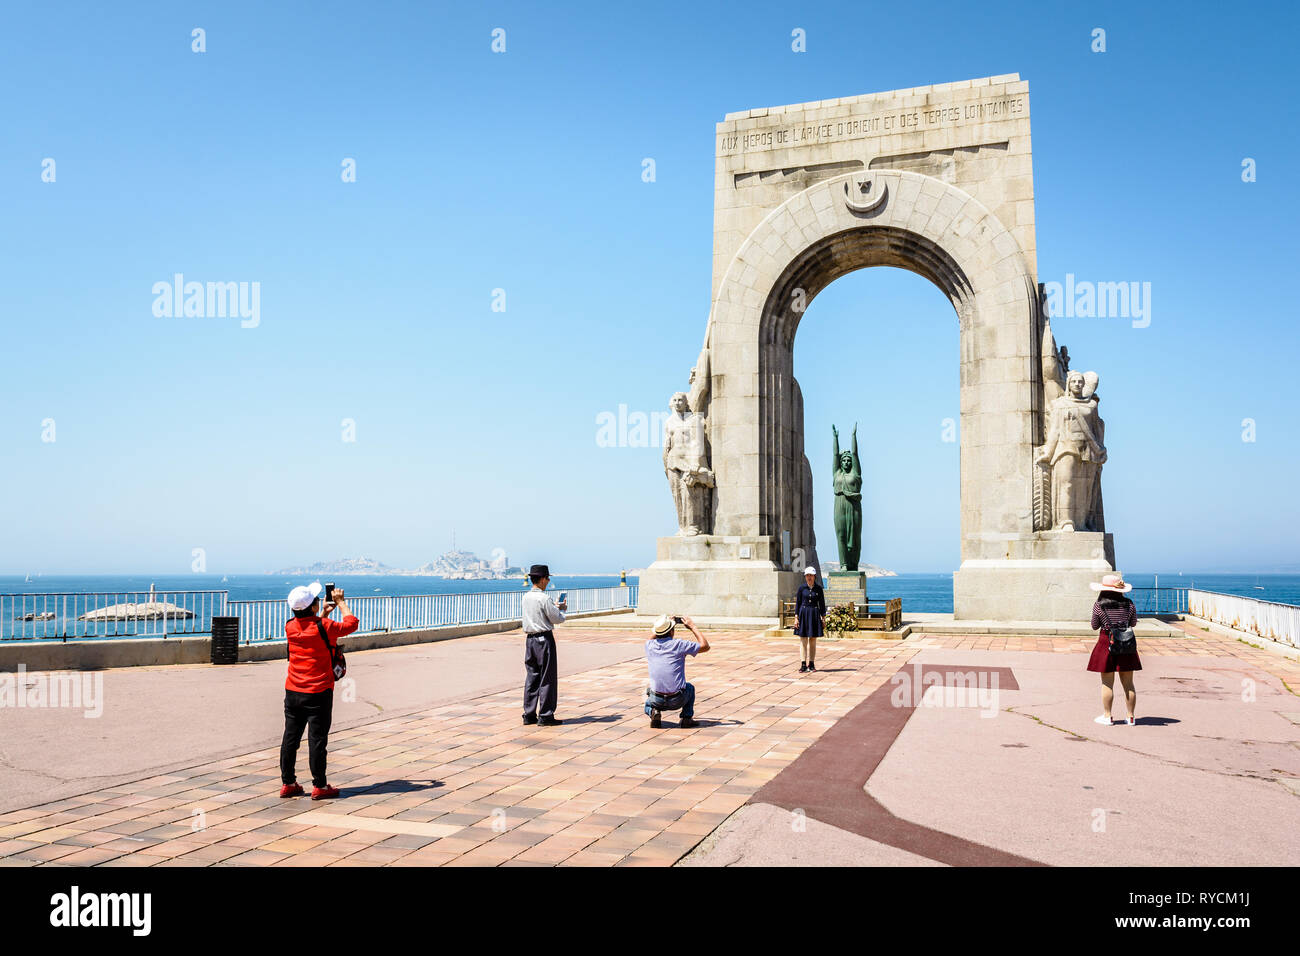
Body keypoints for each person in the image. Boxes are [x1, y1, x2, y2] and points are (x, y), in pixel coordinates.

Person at [280, 582, 359, 799]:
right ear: (313, 606)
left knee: (290, 738)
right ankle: (320, 786)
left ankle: (288, 783)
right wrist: (341, 603)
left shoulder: (289, 626)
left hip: (293, 691)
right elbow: (352, 624)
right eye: (316, 601)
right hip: (318, 692)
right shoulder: (326, 627)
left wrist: (322, 612)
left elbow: (309, 628)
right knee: (317, 739)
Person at [1086, 573, 1140, 726]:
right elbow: (1133, 623)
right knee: (1129, 683)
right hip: (1126, 644)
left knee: (1107, 683)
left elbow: (1094, 625)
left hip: (1106, 643)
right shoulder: (1129, 604)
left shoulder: (1099, 605)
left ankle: (1108, 716)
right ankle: (1131, 717)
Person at [645, 613, 709, 729]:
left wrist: (663, 626)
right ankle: (686, 718)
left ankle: (654, 712)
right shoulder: (679, 645)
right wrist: (692, 627)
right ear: (671, 631)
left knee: (649, 693)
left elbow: (651, 637)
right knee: (690, 687)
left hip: (657, 699)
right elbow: (705, 646)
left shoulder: (649, 645)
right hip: (677, 699)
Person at [521, 563, 567, 726]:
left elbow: (537, 614)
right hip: (544, 639)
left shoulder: (526, 597)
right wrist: (562, 609)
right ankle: (546, 715)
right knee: (547, 677)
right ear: (541, 579)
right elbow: (557, 619)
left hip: (530, 640)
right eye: (547, 578)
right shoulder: (544, 598)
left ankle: (529, 714)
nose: (548, 581)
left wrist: (552, 608)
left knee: (532, 677)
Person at [793, 566, 825, 673]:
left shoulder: (819, 589)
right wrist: (796, 618)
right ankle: (803, 664)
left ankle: (811, 663)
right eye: (807, 575)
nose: (809, 577)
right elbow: (798, 603)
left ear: (815, 576)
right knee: (803, 640)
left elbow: (822, 604)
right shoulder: (802, 588)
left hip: (814, 614)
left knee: (812, 640)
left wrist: (823, 618)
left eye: (811, 575)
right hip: (803, 614)